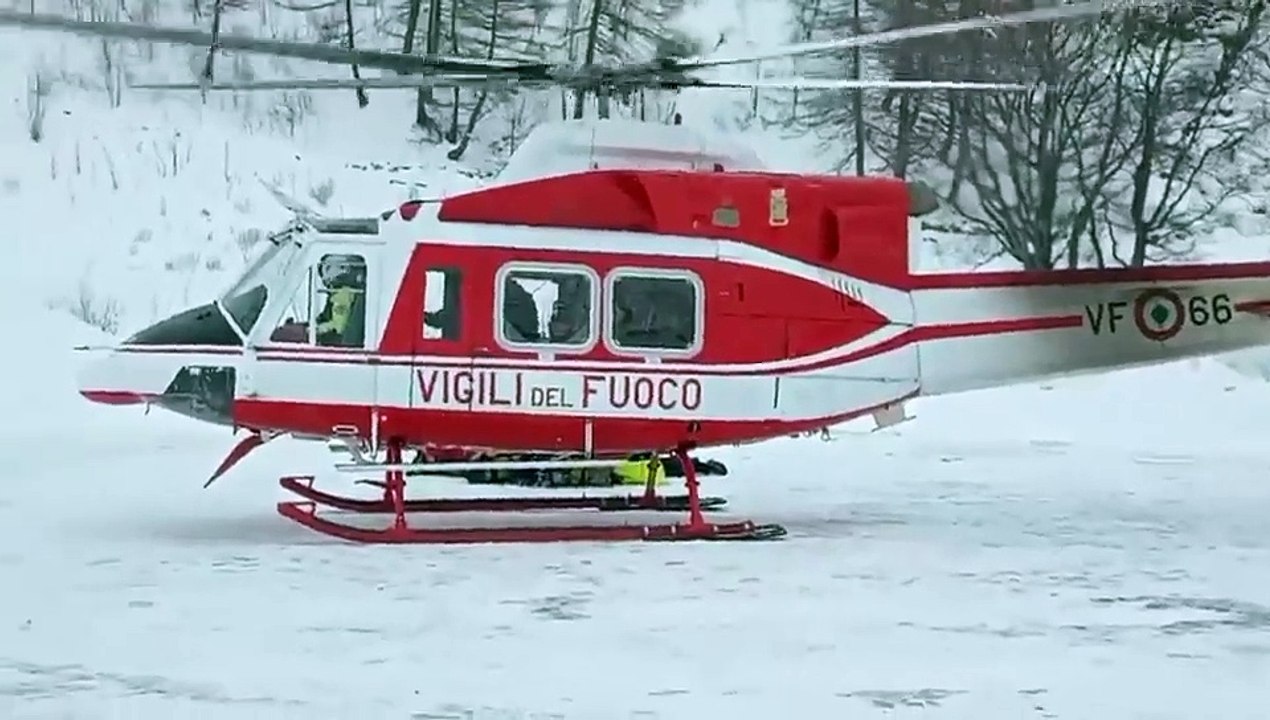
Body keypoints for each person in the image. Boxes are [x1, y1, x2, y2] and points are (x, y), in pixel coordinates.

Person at [315, 255, 365, 347]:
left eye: (328, 268)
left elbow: (338, 326)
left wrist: (316, 329)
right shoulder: (342, 293)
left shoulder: (342, 295)